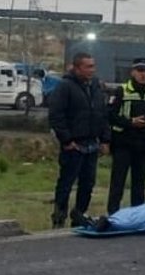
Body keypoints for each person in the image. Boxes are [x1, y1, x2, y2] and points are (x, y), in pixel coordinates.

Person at [46, 52, 111, 228]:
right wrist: (67, 141)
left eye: (93, 66)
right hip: (73, 145)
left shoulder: (96, 87)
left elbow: (102, 114)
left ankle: (79, 216)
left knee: (88, 184)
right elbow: (56, 115)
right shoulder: (65, 86)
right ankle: (59, 217)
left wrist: (105, 139)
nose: (92, 70)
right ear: (77, 68)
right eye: (88, 66)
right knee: (66, 183)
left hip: (92, 144)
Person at [106, 58, 145, 214]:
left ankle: (137, 215)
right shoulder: (122, 91)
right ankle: (113, 215)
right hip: (123, 144)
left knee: (139, 185)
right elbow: (110, 116)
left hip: (143, 145)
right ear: (132, 72)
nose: (143, 74)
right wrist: (130, 122)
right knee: (117, 183)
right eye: (140, 71)